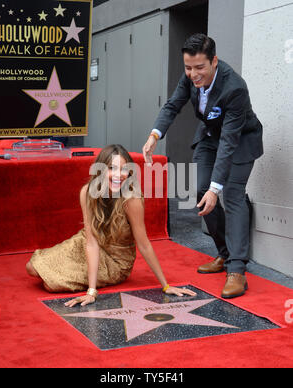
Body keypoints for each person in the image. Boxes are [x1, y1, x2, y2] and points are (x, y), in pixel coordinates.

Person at [142, 33, 263, 299]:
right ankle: (224, 253)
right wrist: (154, 136)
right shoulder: (190, 78)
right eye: (188, 67)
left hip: (240, 141)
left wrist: (215, 188)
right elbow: (172, 105)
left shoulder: (235, 88)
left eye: (199, 68)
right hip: (210, 137)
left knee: (230, 196)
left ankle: (237, 270)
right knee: (199, 192)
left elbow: (230, 142)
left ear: (214, 62)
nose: (194, 74)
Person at [26, 144, 196, 306]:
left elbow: (144, 244)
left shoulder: (131, 199)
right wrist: (91, 291)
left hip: (116, 260)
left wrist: (166, 285)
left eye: (124, 169)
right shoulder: (87, 191)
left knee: (51, 284)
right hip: (89, 242)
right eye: (112, 168)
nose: (118, 174)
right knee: (32, 267)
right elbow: (91, 241)